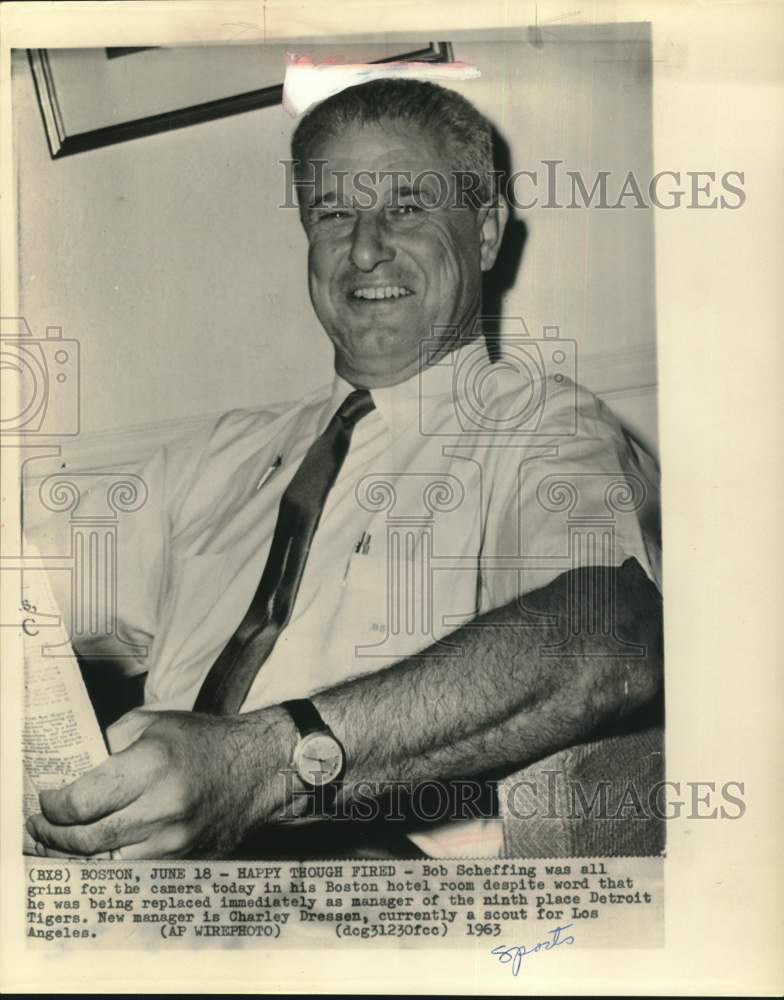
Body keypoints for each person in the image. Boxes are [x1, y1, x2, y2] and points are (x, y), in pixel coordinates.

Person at [27, 78, 663, 861]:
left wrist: (267, 763)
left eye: (406, 207)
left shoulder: (544, 428)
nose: (365, 248)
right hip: (146, 892)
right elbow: (25, 583)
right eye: (333, 214)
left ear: (487, 233)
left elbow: (610, 636)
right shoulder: (216, 457)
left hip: (374, 898)